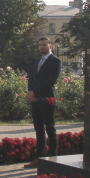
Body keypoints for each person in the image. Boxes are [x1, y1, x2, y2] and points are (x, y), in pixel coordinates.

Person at [24, 37, 62, 168]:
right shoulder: (37, 61)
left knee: (50, 129)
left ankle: (52, 159)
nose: (42, 47)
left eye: (44, 45)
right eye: (40, 45)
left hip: (47, 99)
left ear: (50, 46)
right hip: (35, 100)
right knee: (39, 129)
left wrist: (35, 92)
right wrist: (30, 92)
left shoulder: (55, 61)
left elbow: (51, 81)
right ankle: (39, 158)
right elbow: (32, 78)